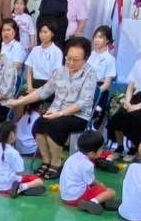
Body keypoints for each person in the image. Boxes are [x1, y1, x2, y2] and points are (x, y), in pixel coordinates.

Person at [12, 36, 98, 176]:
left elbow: (83, 102)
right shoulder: (61, 71)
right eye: (68, 58)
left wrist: (60, 113)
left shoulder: (90, 73)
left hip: (77, 115)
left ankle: (56, 163)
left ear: (86, 58)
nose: (70, 63)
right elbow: (44, 91)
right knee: (39, 125)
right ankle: (46, 161)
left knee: (55, 126)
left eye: (75, 60)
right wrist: (19, 102)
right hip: (55, 112)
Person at [59, 130, 120, 216]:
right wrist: (102, 186)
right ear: (91, 153)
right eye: (100, 149)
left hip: (65, 196)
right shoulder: (87, 165)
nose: (102, 151)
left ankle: (103, 202)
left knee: (98, 190)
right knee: (111, 192)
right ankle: (93, 202)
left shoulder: (73, 157)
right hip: (76, 198)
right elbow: (92, 182)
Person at [0, 119, 45, 198]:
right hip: (8, 185)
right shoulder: (13, 153)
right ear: (12, 134)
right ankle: (21, 187)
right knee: (39, 181)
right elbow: (19, 172)